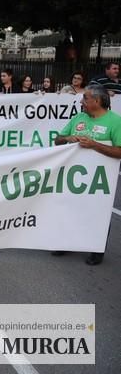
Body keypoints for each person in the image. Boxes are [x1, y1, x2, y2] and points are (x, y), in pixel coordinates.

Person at [54, 85, 121, 265]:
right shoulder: (79, 117)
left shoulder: (115, 122)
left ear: (97, 101)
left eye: (85, 99)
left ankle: (96, 248)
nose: (82, 102)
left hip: (99, 181)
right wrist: (67, 138)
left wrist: (94, 145)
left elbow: (119, 151)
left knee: (98, 213)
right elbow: (57, 140)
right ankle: (65, 242)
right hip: (73, 179)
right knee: (69, 210)